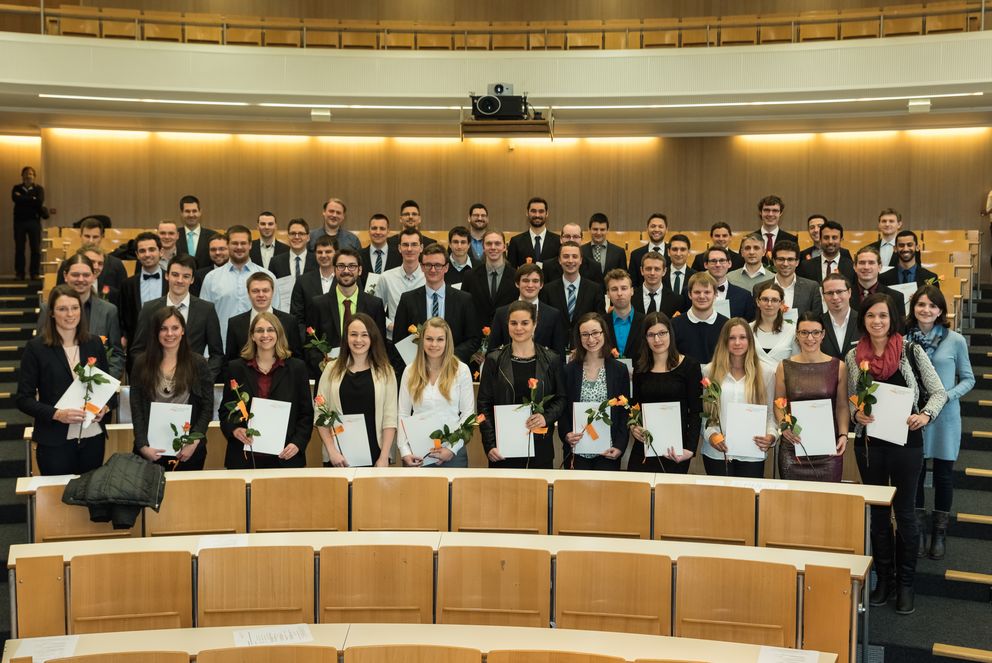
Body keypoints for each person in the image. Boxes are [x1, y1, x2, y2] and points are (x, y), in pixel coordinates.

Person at [846, 293, 946, 615]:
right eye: (871, 316)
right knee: (877, 515)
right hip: (869, 445)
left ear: (893, 319)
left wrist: (926, 416)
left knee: (904, 513)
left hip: (907, 445)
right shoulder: (853, 356)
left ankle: (906, 584)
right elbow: (852, 397)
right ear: (863, 319)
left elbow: (938, 391)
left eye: (883, 316)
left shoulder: (911, 351)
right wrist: (856, 413)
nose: (877, 321)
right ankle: (883, 580)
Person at [906, 286, 974, 560]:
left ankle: (939, 533)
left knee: (944, 475)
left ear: (940, 311)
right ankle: (919, 531)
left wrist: (946, 396)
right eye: (921, 304)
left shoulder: (955, 340)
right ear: (913, 308)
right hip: (914, 416)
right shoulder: (902, 339)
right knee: (917, 474)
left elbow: (969, 379)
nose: (926, 310)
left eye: (932, 306)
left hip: (945, 416)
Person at [17, 285, 114, 475]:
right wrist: (57, 414)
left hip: (93, 438)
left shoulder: (94, 343)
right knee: (57, 500)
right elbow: (23, 399)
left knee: (89, 501)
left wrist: (105, 408)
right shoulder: (36, 348)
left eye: (74, 308)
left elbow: (110, 391)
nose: (70, 314)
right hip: (54, 442)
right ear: (52, 313)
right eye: (62, 309)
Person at [477, 300, 565, 469]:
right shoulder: (494, 360)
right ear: (507, 325)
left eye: (525, 323)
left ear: (535, 324)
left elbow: (561, 399)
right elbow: (484, 405)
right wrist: (490, 444)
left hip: (540, 446)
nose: (519, 328)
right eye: (513, 323)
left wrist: (545, 417)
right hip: (502, 448)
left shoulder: (551, 359)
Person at [220, 312, 314, 469]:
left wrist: (297, 443)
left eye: (270, 330)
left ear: (278, 334)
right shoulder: (236, 368)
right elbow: (225, 410)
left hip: (285, 455)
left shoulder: (297, 368)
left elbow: (305, 414)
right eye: (259, 330)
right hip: (245, 456)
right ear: (252, 336)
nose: (265, 335)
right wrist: (235, 429)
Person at [130, 306, 214, 471]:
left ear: (183, 330)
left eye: (175, 328)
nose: (170, 334)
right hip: (150, 450)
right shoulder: (141, 363)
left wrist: (193, 442)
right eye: (163, 329)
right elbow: (137, 407)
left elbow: (207, 407)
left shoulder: (198, 363)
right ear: (156, 332)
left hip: (189, 450)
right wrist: (142, 445)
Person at [774, 312, 849, 482]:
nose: (810, 338)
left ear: (823, 334)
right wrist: (784, 427)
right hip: (793, 448)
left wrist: (843, 434)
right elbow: (779, 404)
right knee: (792, 503)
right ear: (797, 335)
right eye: (804, 332)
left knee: (827, 504)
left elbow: (842, 406)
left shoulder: (838, 366)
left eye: (815, 332)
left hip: (828, 450)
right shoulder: (784, 366)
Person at [315, 313, 397, 468]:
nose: (358, 340)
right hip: (338, 457)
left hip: (377, 454)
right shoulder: (331, 369)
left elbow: (390, 417)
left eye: (364, 335)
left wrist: (384, 456)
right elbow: (320, 413)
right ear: (346, 338)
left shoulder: (386, 371)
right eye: (353, 334)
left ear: (372, 338)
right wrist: (332, 452)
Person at [701, 319, 777, 477]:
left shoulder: (766, 373)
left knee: (748, 501)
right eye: (731, 338)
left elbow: (770, 414)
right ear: (724, 341)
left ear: (750, 341)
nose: (737, 342)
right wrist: (711, 435)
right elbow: (704, 413)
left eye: (742, 337)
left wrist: (771, 436)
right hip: (716, 454)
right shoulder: (709, 371)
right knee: (718, 501)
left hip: (752, 453)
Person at [131, 255, 225, 382]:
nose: (180, 280)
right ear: (167, 276)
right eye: (175, 275)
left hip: (193, 386)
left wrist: (204, 380)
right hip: (155, 384)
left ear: (192, 280)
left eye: (186, 276)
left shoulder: (206, 310)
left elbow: (217, 354)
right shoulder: (149, 309)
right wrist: (149, 377)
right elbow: (138, 350)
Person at [629, 311, 702, 473]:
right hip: (644, 447)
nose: (657, 339)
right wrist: (634, 426)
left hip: (676, 449)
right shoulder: (640, 369)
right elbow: (635, 406)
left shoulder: (690, 366)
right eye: (651, 335)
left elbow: (696, 411)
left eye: (662, 333)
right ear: (645, 338)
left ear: (671, 333)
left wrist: (689, 449)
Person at [397, 317, 475, 467]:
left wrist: (451, 449)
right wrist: (405, 451)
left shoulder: (461, 370)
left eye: (440, 339)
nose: (434, 344)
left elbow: (468, 415)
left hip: (452, 454)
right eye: (429, 339)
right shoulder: (410, 371)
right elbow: (403, 414)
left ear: (447, 342)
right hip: (416, 454)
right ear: (422, 341)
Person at [558, 313, 631, 470]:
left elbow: (625, 411)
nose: (591, 340)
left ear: (604, 333)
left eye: (595, 333)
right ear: (579, 337)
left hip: (608, 451)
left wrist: (619, 445)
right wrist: (566, 434)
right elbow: (562, 407)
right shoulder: (569, 371)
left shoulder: (619, 370)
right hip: (577, 449)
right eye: (585, 334)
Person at [39, 253, 125, 379]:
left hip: (96, 391)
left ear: (94, 276)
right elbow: (40, 349)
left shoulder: (109, 310)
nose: (80, 279)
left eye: (86, 275)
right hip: (56, 386)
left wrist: (103, 384)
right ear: (65, 276)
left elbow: (116, 354)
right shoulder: (48, 309)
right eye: (75, 275)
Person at [391, 244, 480, 365]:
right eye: (428, 265)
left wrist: (448, 357)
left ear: (446, 267)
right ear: (422, 267)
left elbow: (473, 339)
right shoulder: (407, 299)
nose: (432, 270)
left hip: (452, 366)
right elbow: (399, 339)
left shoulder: (464, 299)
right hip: (418, 367)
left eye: (438, 265)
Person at [199, 225, 281, 347]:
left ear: (250, 245)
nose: (239, 247)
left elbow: (276, 314)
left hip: (261, 348)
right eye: (234, 243)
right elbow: (203, 319)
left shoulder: (267, 276)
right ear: (227, 245)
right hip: (222, 347)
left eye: (243, 243)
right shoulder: (211, 278)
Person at [488, 264, 568, 357]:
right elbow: (492, 352)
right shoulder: (501, 313)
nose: (530, 285)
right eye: (525, 281)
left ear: (541, 284)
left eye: (535, 281)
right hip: (508, 369)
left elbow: (559, 355)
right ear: (517, 284)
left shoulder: (553, 315)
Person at [225, 272, 304, 363]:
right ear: (248, 293)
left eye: (265, 290)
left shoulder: (289, 321)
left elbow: (297, 359)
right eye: (255, 291)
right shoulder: (235, 323)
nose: (261, 295)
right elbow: (230, 362)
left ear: (273, 292)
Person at [462, 230, 519, 332]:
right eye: (489, 244)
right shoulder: (469, 276)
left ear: (504, 247)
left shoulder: (517, 277)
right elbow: (464, 309)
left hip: (507, 336)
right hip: (477, 336)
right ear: (483, 247)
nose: (493, 247)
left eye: (497, 243)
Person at [540, 241, 606, 326]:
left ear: (581, 260)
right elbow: (545, 321)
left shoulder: (595, 290)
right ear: (559, 260)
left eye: (575, 257)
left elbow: (600, 320)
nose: (570, 261)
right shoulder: (547, 290)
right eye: (566, 256)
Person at [120, 231, 167, 345]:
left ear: (160, 252)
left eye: (151, 249)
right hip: (137, 344)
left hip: (167, 341)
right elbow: (122, 315)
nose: (147, 254)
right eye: (142, 251)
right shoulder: (127, 284)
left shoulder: (171, 281)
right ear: (137, 255)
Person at [378, 227, 425, 338]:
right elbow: (376, 310)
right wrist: (389, 325)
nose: (409, 249)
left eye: (414, 244)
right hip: (393, 339)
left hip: (424, 341)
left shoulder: (429, 277)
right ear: (399, 248)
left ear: (421, 248)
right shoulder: (386, 277)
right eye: (405, 245)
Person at [672, 272, 728, 364]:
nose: (702, 296)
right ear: (690, 294)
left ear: (715, 294)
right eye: (697, 292)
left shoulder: (726, 325)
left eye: (707, 292)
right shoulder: (674, 325)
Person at [757, 241, 822, 318]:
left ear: (797, 262)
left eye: (790, 259)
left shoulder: (812, 287)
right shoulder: (759, 288)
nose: (785, 264)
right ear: (774, 261)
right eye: (781, 259)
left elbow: (816, 318)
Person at [12, 165, 45, 280]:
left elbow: (39, 201)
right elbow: (16, 199)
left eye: (30, 174)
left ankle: (34, 273)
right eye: (26, 174)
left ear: (34, 177)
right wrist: (32, 199)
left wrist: (24, 199)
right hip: (19, 223)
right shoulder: (16, 188)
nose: (28, 176)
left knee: (35, 248)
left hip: (34, 222)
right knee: (19, 248)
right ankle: (20, 273)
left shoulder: (39, 189)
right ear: (22, 176)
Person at [702, 246, 754, 319]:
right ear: (706, 265)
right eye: (713, 261)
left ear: (729, 263)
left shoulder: (745, 296)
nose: (718, 264)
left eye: (722, 260)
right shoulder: (692, 293)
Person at [851, 246, 906, 315]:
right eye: (862, 263)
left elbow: (898, 325)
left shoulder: (895, 297)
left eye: (871, 263)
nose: (866, 267)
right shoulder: (844, 295)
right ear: (855, 267)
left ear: (879, 267)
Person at [507, 197, 560, 267]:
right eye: (533, 211)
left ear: (547, 214)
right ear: (527, 213)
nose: (537, 215)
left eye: (541, 211)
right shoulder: (516, 241)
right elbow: (511, 270)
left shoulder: (558, 241)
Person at [604, 268, 644, 361]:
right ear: (608, 294)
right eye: (614, 289)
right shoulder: (601, 324)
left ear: (632, 291)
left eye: (624, 288)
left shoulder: (645, 322)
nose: (619, 293)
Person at [750, 283, 796, 364]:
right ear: (757, 302)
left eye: (774, 300)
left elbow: (796, 363)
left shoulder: (792, 331)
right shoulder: (748, 329)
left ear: (781, 303)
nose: (769, 304)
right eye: (765, 299)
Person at [820, 273, 859, 360]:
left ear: (849, 292)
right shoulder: (818, 324)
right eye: (829, 293)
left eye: (839, 291)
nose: (835, 297)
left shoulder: (863, 321)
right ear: (823, 296)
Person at [631, 251, 683, 317]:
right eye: (648, 269)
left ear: (664, 271)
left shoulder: (677, 300)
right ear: (642, 270)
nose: (652, 273)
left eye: (657, 269)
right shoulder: (630, 297)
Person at [176, 195, 218, 269]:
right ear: (181, 213)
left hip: (206, 279)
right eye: (187, 211)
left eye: (194, 211)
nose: (191, 215)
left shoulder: (213, 236)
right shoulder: (174, 235)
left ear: (200, 212)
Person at [628, 213, 669, 288]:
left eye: (660, 227)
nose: (656, 229)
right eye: (653, 226)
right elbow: (632, 283)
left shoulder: (674, 253)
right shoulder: (636, 255)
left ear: (666, 230)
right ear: (647, 229)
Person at [192, 233, 229, 297]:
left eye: (222, 249)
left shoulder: (239, 272)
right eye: (213, 249)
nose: (217, 253)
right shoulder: (199, 275)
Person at [665, 233, 694, 298]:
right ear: (668, 252)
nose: (678, 253)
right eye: (675, 249)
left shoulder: (695, 276)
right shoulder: (660, 275)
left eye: (683, 249)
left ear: (688, 252)